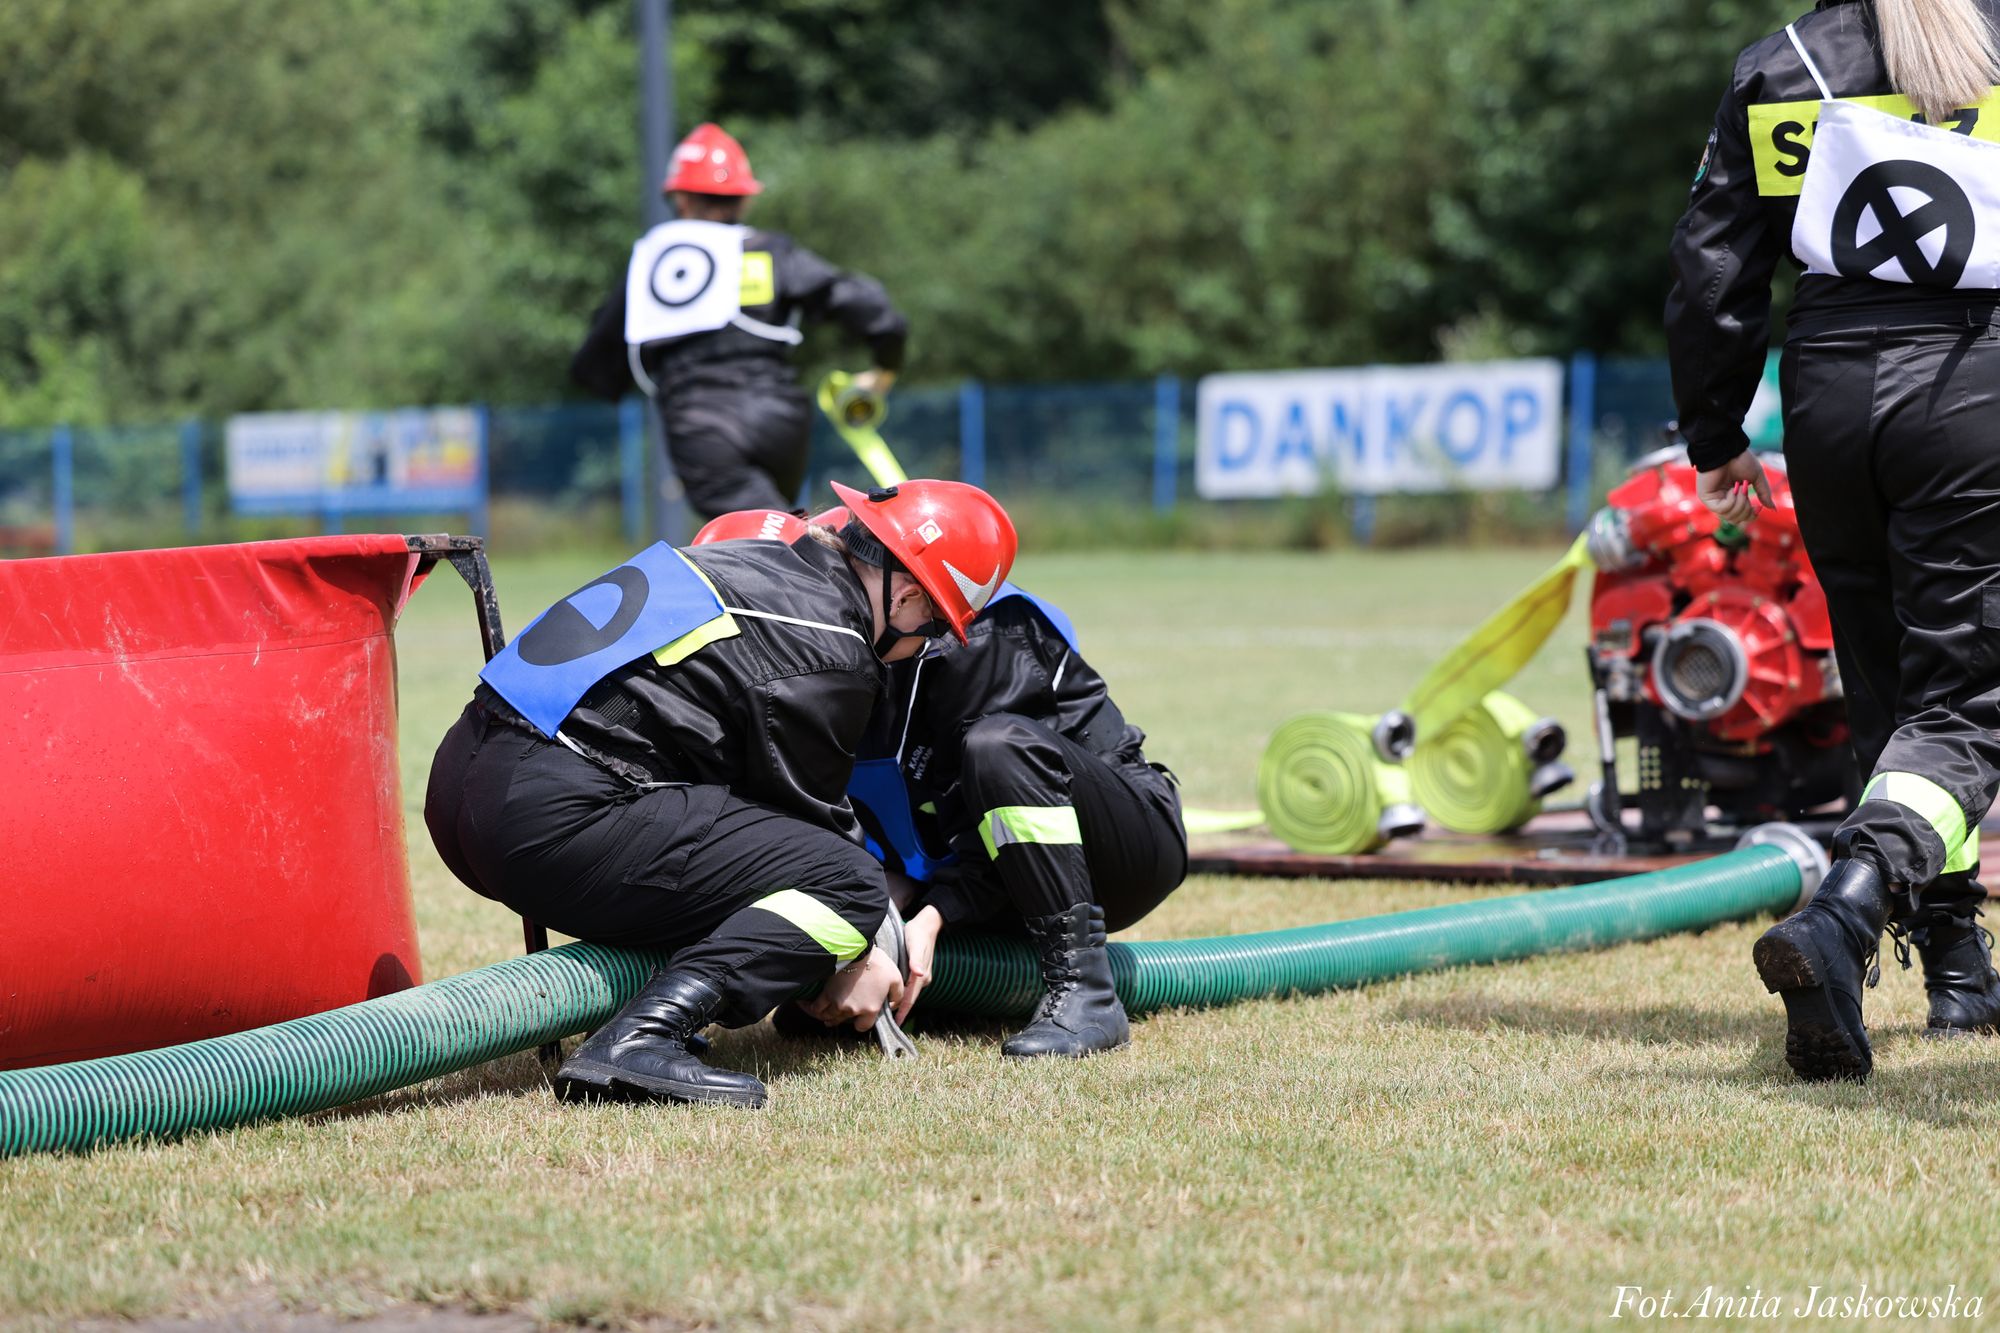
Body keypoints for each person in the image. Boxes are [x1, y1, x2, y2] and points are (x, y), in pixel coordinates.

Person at [424, 481, 1016, 1107]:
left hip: (461, 783)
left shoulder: (749, 562)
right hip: (548, 820)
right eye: (931, 625)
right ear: (909, 595)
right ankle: (641, 1040)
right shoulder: (831, 648)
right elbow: (817, 843)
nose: (921, 646)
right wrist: (862, 950)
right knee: (850, 886)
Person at [1667, 0, 2000, 1080]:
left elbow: (1711, 268)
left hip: (1827, 393)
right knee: (1967, 696)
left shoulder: (1780, 64)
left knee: (1889, 690)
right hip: (1966, 382)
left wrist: (1714, 433)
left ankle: (1955, 973)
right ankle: (1847, 910)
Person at [694, 490, 1189, 1058]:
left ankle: (1085, 991)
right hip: (966, 853)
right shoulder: (837, 640)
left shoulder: (969, 645)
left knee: (999, 746)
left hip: (1113, 845)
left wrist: (934, 915)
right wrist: (867, 937)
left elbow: (1001, 799)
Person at [570, 122, 908, 520]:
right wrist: (884, 369)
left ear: (679, 198)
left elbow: (594, 366)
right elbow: (872, 308)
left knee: (778, 548)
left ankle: (844, 566)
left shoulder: (654, 263)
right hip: (781, 422)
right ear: (743, 200)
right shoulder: (768, 252)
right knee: (777, 535)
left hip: (702, 430)